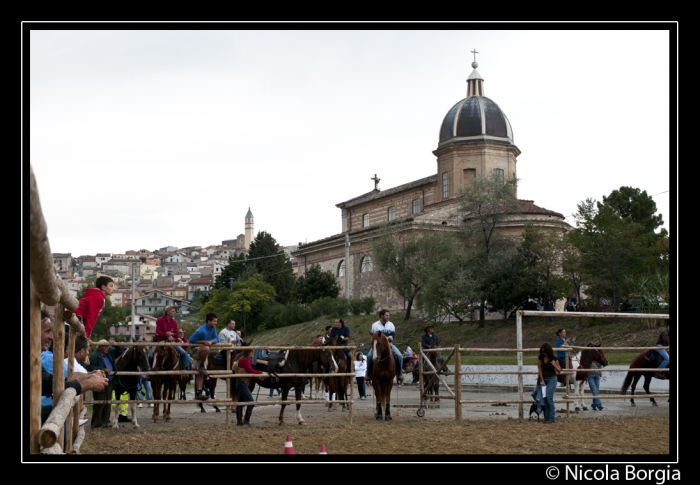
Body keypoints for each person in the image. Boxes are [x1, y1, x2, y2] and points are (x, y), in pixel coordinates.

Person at [40, 313, 108, 425]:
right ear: (67, 349)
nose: (51, 337)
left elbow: (58, 380)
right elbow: (53, 383)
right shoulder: (53, 359)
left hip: (43, 405)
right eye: (47, 331)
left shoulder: (43, 357)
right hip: (46, 404)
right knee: (62, 422)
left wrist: (89, 377)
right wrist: (88, 381)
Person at [85, 338, 124, 429]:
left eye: (108, 346)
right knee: (100, 402)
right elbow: (90, 367)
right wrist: (103, 369)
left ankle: (105, 422)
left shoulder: (110, 353)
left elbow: (120, 351)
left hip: (109, 382)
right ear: (100, 347)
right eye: (105, 346)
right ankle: (96, 423)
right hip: (99, 381)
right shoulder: (95, 356)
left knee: (107, 402)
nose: (107, 348)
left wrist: (115, 344)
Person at [188, 313, 219, 401]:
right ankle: (200, 366)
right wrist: (204, 341)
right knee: (206, 348)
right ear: (208, 321)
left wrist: (211, 341)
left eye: (216, 321)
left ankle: (199, 392)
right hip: (195, 350)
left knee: (201, 374)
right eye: (214, 321)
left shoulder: (213, 328)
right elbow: (191, 340)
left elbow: (216, 338)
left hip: (203, 353)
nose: (215, 323)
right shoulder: (201, 331)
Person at [366, 309, 403, 384]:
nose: (388, 317)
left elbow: (393, 335)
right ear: (381, 316)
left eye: (388, 315)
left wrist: (388, 338)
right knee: (369, 356)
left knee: (399, 355)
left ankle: (399, 373)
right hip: (377, 345)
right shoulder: (375, 325)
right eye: (386, 315)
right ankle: (368, 373)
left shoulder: (391, 324)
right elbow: (374, 336)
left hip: (389, 344)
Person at [150, 306, 192, 371]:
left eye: (175, 311)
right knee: (150, 356)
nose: (174, 312)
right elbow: (158, 332)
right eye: (173, 311)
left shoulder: (174, 322)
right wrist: (166, 334)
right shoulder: (160, 320)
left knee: (183, 353)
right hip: (159, 341)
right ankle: (149, 373)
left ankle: (183, 372)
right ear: (168, 312)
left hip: (170, 341)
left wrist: (172, 335)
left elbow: (176, 333)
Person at [234, 349, 268, 426]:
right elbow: (251, 371)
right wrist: (261, 373)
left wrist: (258, 377)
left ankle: (239, 422)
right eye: (251, 352)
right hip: (242, 383)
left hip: (242, 383)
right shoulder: (244, 361)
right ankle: (246, 421)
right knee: (251, 402)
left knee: (240, 403)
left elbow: (250, 373)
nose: (253, 353)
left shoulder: (246, 360)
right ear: (247, 353)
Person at [537, 342, 561, 424]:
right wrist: (542, 379)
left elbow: (559, 371)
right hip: (544, 378)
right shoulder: (541, 357)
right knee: (544, 398)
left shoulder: (554, 358)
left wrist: (554, 365)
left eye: (545, 352)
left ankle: (551, 417)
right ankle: (546, 417)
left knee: (549, 398)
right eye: (542, 352)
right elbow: (539, 369)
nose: (544, 353)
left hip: (552, 379)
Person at [581, 341, 606, 411]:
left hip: (597, 374)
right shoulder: (586, 356)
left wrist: (600, 369)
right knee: (594, 390)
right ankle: (599, 405)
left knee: (596, 391)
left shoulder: (596, 355)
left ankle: (594, 405)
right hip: (590, 374)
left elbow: (601, 362)